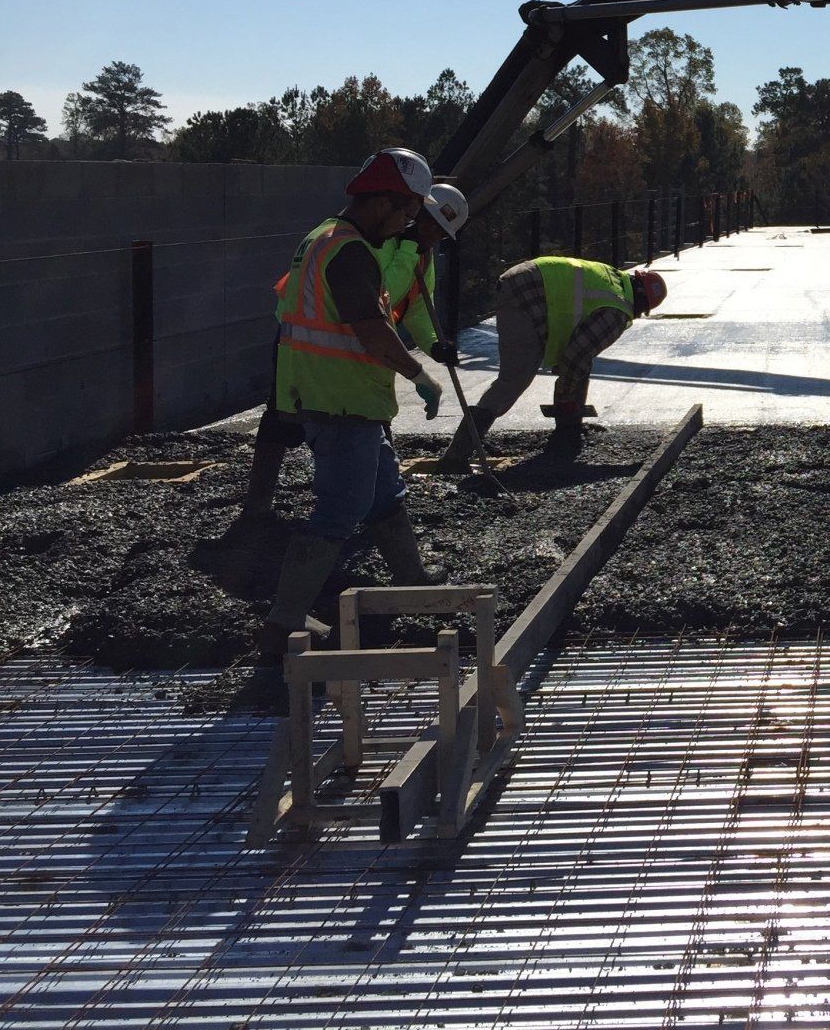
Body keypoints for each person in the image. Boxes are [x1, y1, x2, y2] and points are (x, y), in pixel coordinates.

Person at [258, 150, 449, 673]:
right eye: (407, 210)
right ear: (383, 201)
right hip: (339, 400)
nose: (408, 223)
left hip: (338, 396)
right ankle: (283, 624)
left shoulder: (324, 237)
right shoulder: (349, 252)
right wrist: (419, 374)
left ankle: (412, 582)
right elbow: (371, 329)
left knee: (384, 492)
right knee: (340, 511)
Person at [242, 179, 470, 520]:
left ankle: (379, 507)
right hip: (306, 342)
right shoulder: (373, 241)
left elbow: (417, 308)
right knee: (283, 418)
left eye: (441, 234)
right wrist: (408, 250)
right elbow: (382, 296)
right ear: (415, 214)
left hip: (356, 348)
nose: (434, 237)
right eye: (432, 227)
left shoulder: (419, 255)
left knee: (370, 422)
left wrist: (434, 345)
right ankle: (259, 507)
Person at [439, 256, 669, 470]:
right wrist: (566, 397)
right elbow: (575, 357)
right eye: (642, 310)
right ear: (641, 301)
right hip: (525, 295)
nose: (638, 314)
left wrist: (567, 393)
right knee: (515, 379)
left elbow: (579, 352)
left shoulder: (613, 280)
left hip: (525, 280)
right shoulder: (617, 310)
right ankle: (456, 456)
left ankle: (568, 431)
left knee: (580, 364)